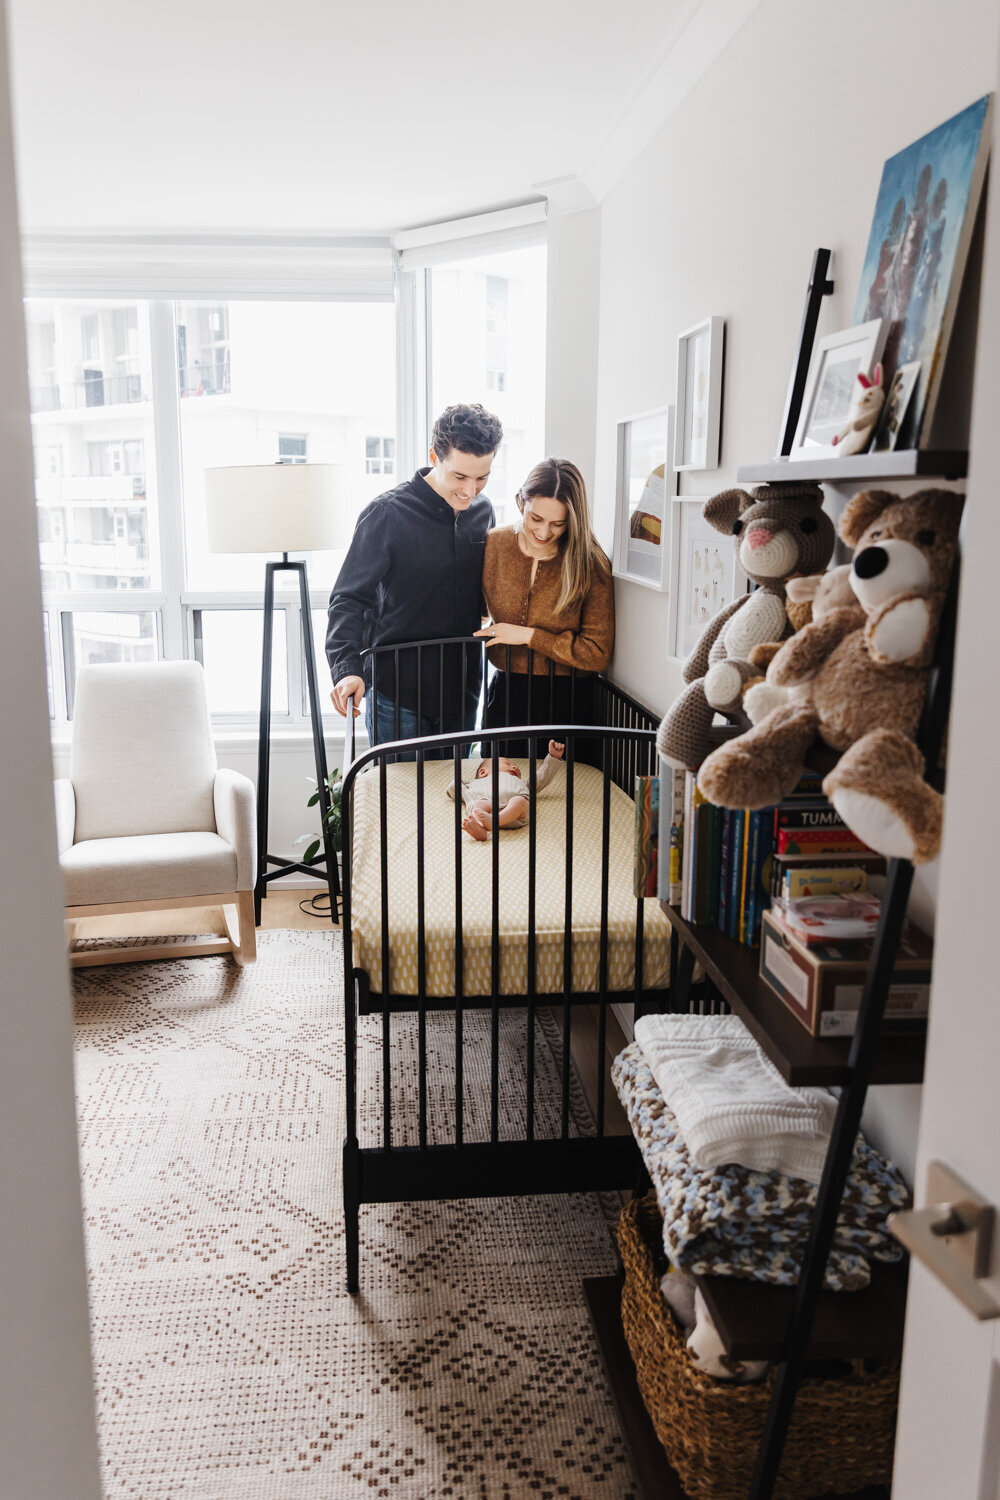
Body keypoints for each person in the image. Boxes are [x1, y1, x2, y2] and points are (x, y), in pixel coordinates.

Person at [326, 403, 502, 750]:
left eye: (482, 478)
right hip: (397, 695)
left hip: (462, 692)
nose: (470, 491)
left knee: (453, 801)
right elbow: (349, 599)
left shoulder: (483, 513)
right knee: (402, 802)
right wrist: (347, 668)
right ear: (435, 457)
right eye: (460, 477)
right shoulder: (386, 515)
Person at [474, 457, 614, 763]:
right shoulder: (494, 544)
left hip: (567, 701)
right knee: (499, 795)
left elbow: (597, 652)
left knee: (561, 801)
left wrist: (529, 636)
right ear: (521, 501)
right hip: (506, 694)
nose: (543, 531)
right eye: (535, 518)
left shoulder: (590, 562)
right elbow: (473, 608)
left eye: (558, 523)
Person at [455, 740, 564, 842]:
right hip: (486, 813)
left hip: (514, 815)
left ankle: (494, 822)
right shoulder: (473, 784)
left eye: (516, 767)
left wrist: (553, 757)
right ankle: (479, 827)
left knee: (519, 801)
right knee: (479, 804)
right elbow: (456, 788)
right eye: (508, 764)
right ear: (483, 772)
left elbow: (541, 777)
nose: (515, 768)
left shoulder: (522, 783)